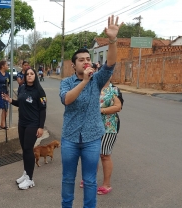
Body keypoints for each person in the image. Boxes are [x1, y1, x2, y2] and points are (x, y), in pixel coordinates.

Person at [59, 15, 121, 208]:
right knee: (68, 179)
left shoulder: (98, 79)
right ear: (73, 65)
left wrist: (112, 40)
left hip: (92, 138)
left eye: (88, 59)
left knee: (90, 180)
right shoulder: (67, 82)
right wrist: (84, 81)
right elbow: (67, 100)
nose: (86, 62)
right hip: (70, 138)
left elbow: (110, 63)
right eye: (81, 60)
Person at [1, 68, 46, 190]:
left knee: (28, 149)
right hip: (22, 124)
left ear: (35, 76)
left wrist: (41, 127)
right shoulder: (22, 88)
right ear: (25, 77)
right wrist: (9, 100)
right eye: (27, 74)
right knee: (24, 150)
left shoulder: (40, 91)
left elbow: (43, 110)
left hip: (33, 124)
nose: (30, 76)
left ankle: (30, 179)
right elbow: (20, 103)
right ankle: (26, 173)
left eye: (32, 74)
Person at [97, 76, 122, 195]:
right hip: (92, 127)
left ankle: (106, 184)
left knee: (104, 155)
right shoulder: (93, 87)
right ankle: (89, 180)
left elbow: (118, 107)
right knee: (91, 154)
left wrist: (101, 110)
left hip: (109, 127)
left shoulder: (114, 90)